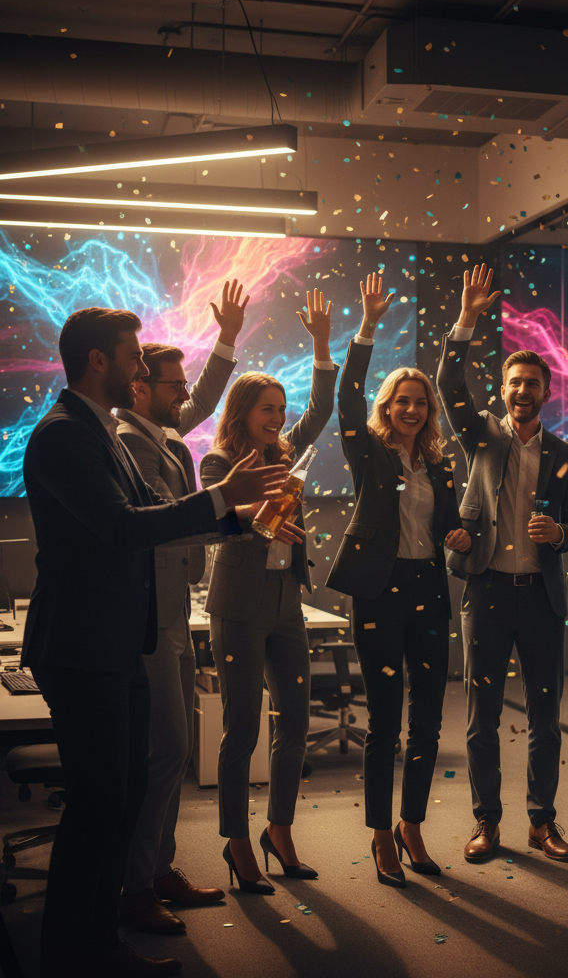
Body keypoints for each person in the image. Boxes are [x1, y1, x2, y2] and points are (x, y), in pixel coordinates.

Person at [21, 307, 285, 978]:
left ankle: (100, 943)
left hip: (117, 640)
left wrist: (238, 519)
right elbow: (122, 528)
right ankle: (69, 956)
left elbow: (155, 519)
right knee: (97, 807)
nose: (141, 368)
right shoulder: (64, 434)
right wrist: (223, 498)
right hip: (82, 645)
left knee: (121, 797)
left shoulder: (99, 429)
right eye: (133, 355)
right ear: (98, 360)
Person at [437, 264, 568, 865]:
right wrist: (467, 318)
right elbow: (449, 382)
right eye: (514, 382)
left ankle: (541, 822)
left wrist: (562, 533)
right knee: (483, 719)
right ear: (502, 390)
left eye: (533, 384)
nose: (523, 391)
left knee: (547, 720)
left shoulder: (566, 454)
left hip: (543, 599)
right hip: (488, 593)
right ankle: (487, 822)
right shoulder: (480, 436)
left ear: (546, 393)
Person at [326, 272, 472, 888]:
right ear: (387, 408)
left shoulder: (440, 466)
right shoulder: (369, 452)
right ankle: (381, 832)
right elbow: (347, 395)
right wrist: (366, 326)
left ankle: (412, 824)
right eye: (402, 401)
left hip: (428, 592)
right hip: (379, 595)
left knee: (429, 720)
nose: (412, 410)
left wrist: (460, 537)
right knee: (385, 721)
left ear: (430, 412)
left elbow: (450, 527)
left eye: (421, 403)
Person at [115, 279, 248, 934]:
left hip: (173, 610)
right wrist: (234, 517)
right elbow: (163, 522)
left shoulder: (161, 433)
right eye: (174, 385)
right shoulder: (131, 442)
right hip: (149, 618)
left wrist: (226, 339)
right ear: (140, 387)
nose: (184, 394)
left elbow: (201, 400)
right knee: (165, 749)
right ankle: (135, 883)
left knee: (172, 749)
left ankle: (158, 868)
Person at [200, 288, 337, 895]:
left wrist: (321, 344)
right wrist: (259, 519)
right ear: (242, 413)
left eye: (281, 409)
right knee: (242, 730)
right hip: (238, 604)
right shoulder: (216, 464)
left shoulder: (287, 452)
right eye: (267, 409)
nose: (278, 418)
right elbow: (216, 523)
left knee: (297, 724)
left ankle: (278, 831)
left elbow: (322, 407)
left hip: (287, 601)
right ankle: (235, 841)